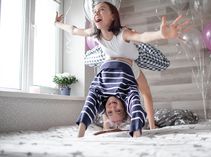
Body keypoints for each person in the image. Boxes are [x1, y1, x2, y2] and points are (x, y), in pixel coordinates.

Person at [55, 1, 189, 137]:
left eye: (101, 9)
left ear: (113, 16)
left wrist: (161, 35)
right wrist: (57, 24)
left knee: (126, 92)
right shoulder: (95, 34)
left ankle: (135, 127)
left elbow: (142, 37)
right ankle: (81, 132)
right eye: (94, 11)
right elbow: (74, 30)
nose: (96, 13)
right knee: (100, 90)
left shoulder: (123, 34)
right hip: (107, 67)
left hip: (123, 66)